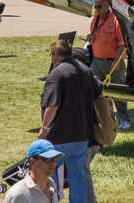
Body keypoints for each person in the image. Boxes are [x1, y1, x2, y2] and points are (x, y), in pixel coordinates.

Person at [39, 39, 102, 203]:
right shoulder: (85, 70)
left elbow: (52, 106)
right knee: (77, 174)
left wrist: (44, 128)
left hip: (61, 135)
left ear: (55, 55)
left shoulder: (57, 74)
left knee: (49, 171)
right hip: (82, 135)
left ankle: (52, 199)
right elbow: (97, 91)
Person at [86, 0, 130, 130]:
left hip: (113, 62)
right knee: (92, 88)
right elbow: (94, 38)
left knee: (118, 91)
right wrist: (90, 38)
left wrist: (117, 60)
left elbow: (122, 44)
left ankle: (124, 119)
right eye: (95, 6)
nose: (96, 9)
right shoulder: (95, 20)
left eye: (99, 6)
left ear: (107, 6)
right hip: (97, 61)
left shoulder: (115, 20)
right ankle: (96, 117)